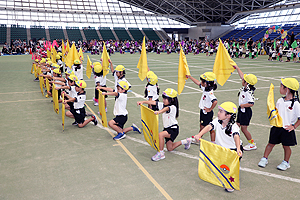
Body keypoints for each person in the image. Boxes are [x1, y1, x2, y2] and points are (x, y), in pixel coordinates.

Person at [137, 88, 192, 162]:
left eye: (166, 98)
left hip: (173, 129)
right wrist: (143, 101)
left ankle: (161, 153)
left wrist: (159, 112)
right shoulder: (163, 105)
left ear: (172, 100)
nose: (163, 100)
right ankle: (186, 141)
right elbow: (154, 102)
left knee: (160, 135)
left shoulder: (173, 107)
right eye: (163, 98)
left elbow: (166, 109)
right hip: (167, 129)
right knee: (170, 148)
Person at [258, 78, 300, 171]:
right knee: (270, 144)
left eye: (281, 86)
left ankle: (286, 162)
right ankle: (264, 158)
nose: (280, 87)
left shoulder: (296, 104)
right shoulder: (280, 101)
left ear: (287, 89)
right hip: (276, 127)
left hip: (287, 129)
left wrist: (294, 126)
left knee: (286, 146)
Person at [186, 72, 217, 143]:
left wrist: (210, 109)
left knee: (210, 128)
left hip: (207, 113)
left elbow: (215, 101)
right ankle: (198, 138)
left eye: (202, 81)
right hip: (203, 112)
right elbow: (198, 83)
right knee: (202, 126)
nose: (200, 82)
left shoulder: (210, 93)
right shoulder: (206, 88)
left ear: (206, 83)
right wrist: (190, 77)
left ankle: (212, 142)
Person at [234, 65, 257, 151]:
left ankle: (252, 143)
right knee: (237, 125)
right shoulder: (246, 88)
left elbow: (251, 103)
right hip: (241, 111)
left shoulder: (248, 92)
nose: (242, 80)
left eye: (244, 80)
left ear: (247, 83)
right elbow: (242, 75)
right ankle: (236, 140)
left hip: (245, 111)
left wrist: (243, 105)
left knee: (244, 129)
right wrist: (237, 68)